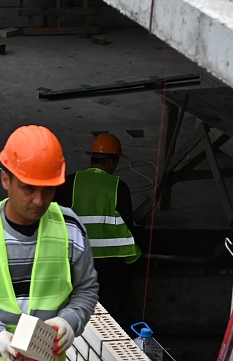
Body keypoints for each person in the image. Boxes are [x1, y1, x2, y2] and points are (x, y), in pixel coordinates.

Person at [0, 126, 99, 361]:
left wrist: (70, 320)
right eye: (28, 188)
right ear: (6, 180)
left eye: (48, 190)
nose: (39, 200)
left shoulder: (71, 230)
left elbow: (86, 289)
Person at [55, 133, 140, 326]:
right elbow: (128, 226)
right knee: (111, 314)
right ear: (110, 162)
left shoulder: (68, 183)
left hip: (76, 258)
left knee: (74, 307)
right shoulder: (118, 187)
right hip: (111, 264)